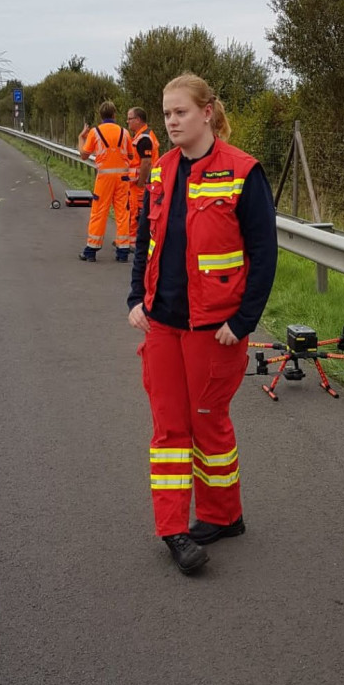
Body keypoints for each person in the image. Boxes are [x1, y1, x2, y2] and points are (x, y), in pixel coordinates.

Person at [127, 73, 278, 573]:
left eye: (180, 112)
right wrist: (136, 298)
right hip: (164, 325)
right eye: (166, 113)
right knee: (171, 429)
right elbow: (144, 239)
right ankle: (174, 529)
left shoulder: (242, 171)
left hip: (216, 329)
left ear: (207, 112)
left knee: (210, 424)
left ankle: (222, 515)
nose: (171, 121)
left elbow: (263, 253)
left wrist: (244, 318)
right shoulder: (161, 170)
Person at [77, 100, 137, 262]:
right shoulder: (124, 132)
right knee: (123, 213)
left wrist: (80, 137)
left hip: (104, 178)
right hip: (122, 179)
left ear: (101, 116)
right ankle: (123, 252)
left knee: (99, 212)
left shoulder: (95, 132)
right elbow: (131, 155)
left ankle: (91, 251)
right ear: (114, 115)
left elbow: (83, 155)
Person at [124, 106, 160, 247]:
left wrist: (141, 183)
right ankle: (131, 241)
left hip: (141, 185)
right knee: (134, 212)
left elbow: (146, 163)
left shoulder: (144, 138)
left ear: (138, 120)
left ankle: (134, 243)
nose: (127, 121)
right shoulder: (141, 135)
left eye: (130, 118)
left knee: (137, 214)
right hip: (137, 184)